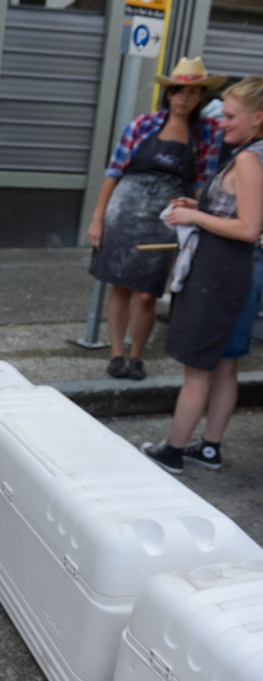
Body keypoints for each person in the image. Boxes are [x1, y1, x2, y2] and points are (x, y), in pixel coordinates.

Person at [141, 76, 263, 475]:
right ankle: (209, 448)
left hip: (220, 274)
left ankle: (173, 451)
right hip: (241, 274)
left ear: (257, 118)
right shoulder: (256, 153)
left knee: (198, 369)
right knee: (227, 365)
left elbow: (248, 228)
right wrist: (199, 203)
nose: (220, 122)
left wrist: (194, 215)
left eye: (229, 116)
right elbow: (240, 209)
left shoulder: (248, 158)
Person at [88, 57, 225, 381]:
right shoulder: (142, 125)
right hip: (124, 209)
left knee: (148, 292)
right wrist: (97, 219)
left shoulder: (209, 133)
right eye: (178, 91)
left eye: (192, 92)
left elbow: (204, 182)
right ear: (168, 93)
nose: (184, 98)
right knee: (119, 286)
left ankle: (137, 354)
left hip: (165, 215)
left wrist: (196, 219)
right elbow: (112, 173)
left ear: (201, 96)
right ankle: (116, 353)